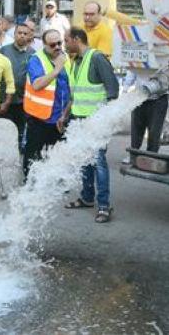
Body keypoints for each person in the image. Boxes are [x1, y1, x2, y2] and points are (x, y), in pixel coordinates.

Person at [63, 27, 119, 223]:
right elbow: (77, 94)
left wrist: (104, 120)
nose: (64, 44)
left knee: (99, 163)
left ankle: (104, 206)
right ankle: (87, 198)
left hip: (96, 121)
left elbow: (113, 90)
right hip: (79, 120)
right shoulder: (76, 61)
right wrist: (66, 115)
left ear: (77, 39)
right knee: (85, 161)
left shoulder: (96, 58)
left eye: (66, 40)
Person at [22, 29, 71, 178]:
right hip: (39, 117)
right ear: (44, 45)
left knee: (56, 156)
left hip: (60, 117)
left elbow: (70, 88)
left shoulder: (66, 58)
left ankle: (53, 183)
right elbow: (37, 85)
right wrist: (56, 69)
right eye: (52, 44)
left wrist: (65, 114)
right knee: (33, 155)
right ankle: (29, 184)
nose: (57, 47)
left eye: (59, 43)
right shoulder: (36, 59)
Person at [0, 22, 36, 151]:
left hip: (23, 100)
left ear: (30, 36)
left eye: (25, 34)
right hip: (5, 100)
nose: (22, 36)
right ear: (14, 34)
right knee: (5, 130)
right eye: (19, 33)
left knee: (20, 129)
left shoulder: (33, 54)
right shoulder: (4, 51)